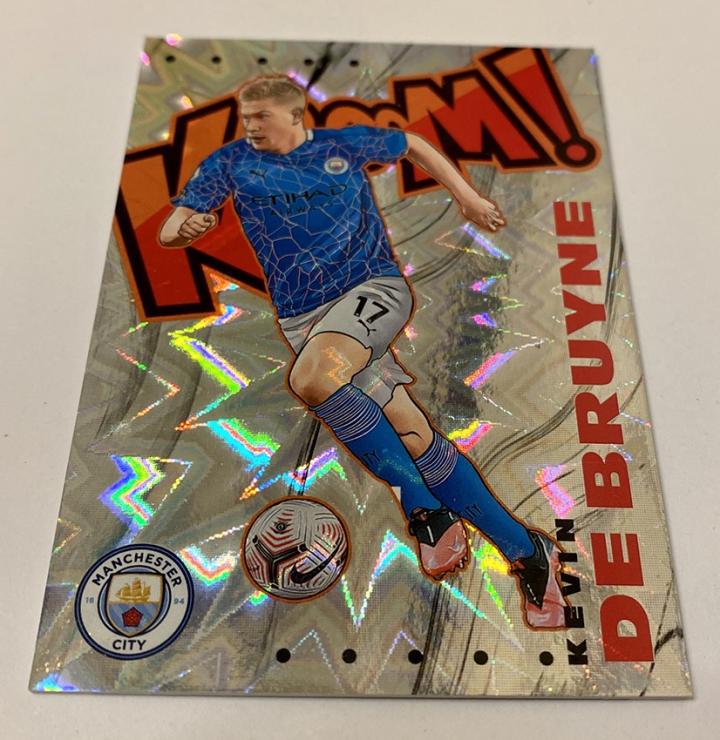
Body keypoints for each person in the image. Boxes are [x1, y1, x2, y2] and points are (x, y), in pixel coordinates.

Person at [160, 74, 568, 629]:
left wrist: (467, 197)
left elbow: (413, 144)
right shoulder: (231, 163)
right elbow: (170, 229)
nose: (250, 126)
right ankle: (527, 551)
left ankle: (425, 512)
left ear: (294, 115)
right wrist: (186, 228)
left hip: (371, 290)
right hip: (305, 318)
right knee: (411, 434)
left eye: (261, 117)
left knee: (313, 379)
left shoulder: (342, 145)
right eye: (245, 117)